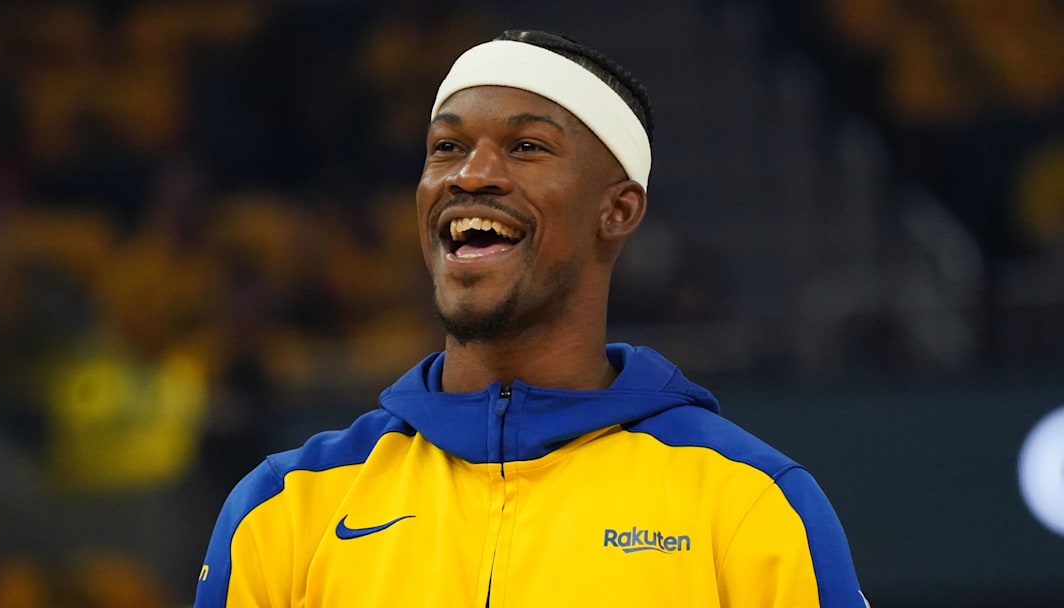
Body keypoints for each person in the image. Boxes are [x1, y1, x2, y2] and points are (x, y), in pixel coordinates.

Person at [193, 29, 868, 607]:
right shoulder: (285, 508)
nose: (470, 175)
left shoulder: (746, 502)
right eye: (447, 147)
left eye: (526, 148)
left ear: (618, 211)